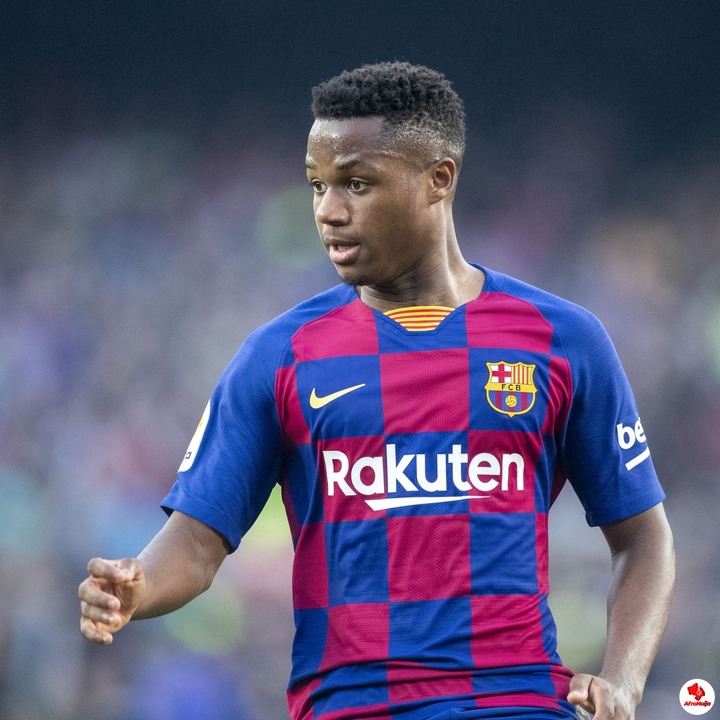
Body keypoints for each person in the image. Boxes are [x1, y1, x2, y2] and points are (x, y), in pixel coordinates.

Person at [79, 62, 675, 720]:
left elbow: (643, 538)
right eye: (317, 185)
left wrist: (624, 679)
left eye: (356, 183)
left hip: (514, 701)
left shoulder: (561, 339)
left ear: (438, 179)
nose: (328, 211)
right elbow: (196, 543)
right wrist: (138, 586)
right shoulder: (278, 358)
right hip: (352, 706)